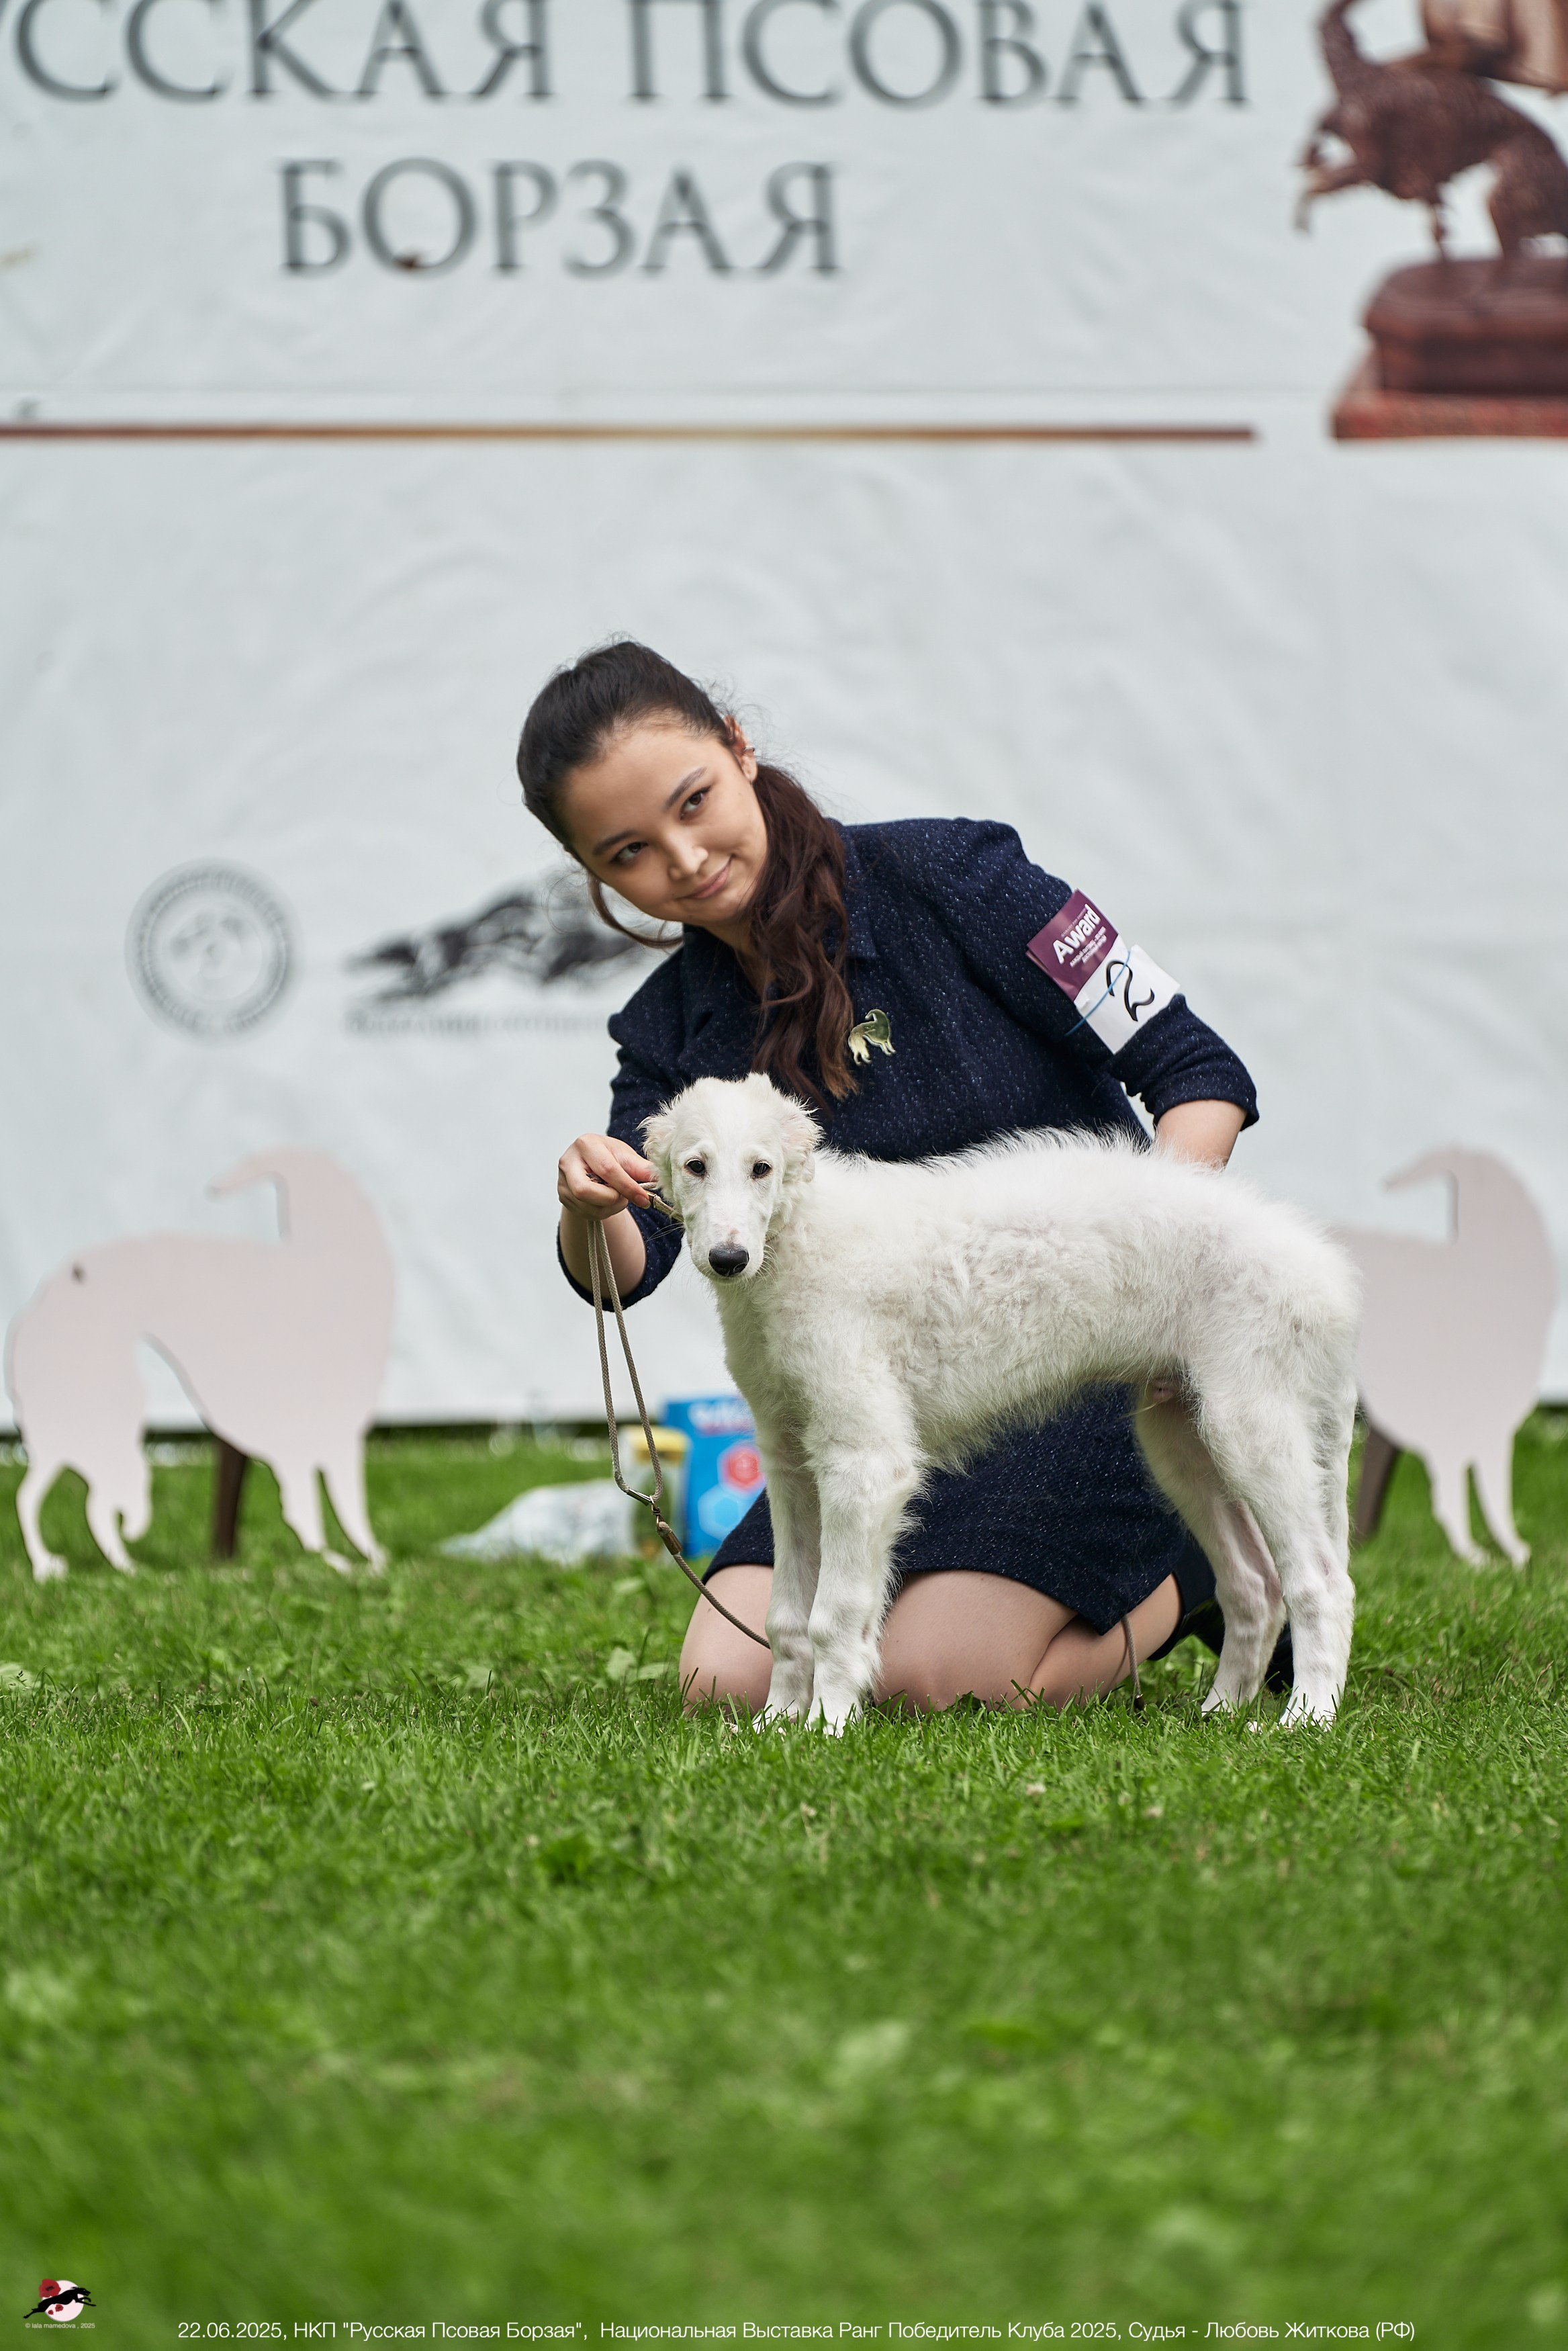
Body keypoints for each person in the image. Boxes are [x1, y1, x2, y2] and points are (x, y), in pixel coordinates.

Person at [520, 639, 1260, 1715]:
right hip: (857, 1397)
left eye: (695, 801)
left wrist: (1162, 1289)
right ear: (593, 871)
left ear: (740, 747)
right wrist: (587, 1207)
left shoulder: (959, 875)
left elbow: (1197, 1073)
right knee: (723, 1680)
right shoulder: (667, 1029)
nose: (682, 859)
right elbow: (629, 1268)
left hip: (1068, 1367)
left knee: (939, 1678)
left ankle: (1201, 1578)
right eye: (629, 851)